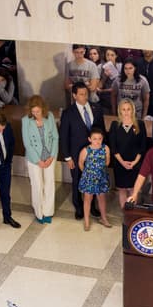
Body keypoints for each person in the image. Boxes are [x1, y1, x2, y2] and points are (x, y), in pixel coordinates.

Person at [60, 83, 103, 221]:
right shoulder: (68, 113)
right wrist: (67, 157)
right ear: (74, 95)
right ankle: (78, 207)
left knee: (94, 180)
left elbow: (101, 131)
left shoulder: (96, 108)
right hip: (76, 153)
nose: (85, 97)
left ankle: (93, 207)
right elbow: (64, 136)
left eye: (86, 93)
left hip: (94, 153)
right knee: (77, 180)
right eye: (81, 94)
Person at [20, 95, 59, 225]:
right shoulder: (26, 121)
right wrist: (38, 160)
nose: (36, 114)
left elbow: (55, 138)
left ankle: (48, 212)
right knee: (37, 185)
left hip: (49, 157)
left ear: (43, 109)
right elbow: (27, 143)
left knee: (49, 184)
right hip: (34, 159)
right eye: (33, 112)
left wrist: (52, 156)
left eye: (38, 111)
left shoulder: (50, 117)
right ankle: (39, 212)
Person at [107, 98, 147, 213]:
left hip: (135, 163)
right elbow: (113, 147)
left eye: (128, 109)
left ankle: (132, 214)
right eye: (123, 109)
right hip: (120, 163)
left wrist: (135, 162)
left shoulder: (139, 125)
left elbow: (142, 146)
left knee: (133, 190)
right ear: (120, 111)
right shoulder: (115, 125)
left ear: (132, 110)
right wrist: (122, 162)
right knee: (122, 190)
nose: (126, 112)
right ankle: (125, 214)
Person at [77, 127, 112, 230]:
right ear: (90, 139)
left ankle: (103, 218)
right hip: (89, 178)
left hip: (101, 177)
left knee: (102, 198)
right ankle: (87, 221)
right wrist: (87, 173)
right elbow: (80, 163)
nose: (97, 141)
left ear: (102, 139)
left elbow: (107, 161)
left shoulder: (105, 148)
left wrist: (100, 170)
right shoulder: (86, 150)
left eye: (99, 138)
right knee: (88, 199)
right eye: (95, 139)